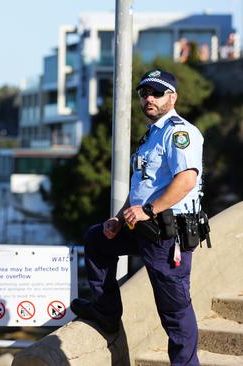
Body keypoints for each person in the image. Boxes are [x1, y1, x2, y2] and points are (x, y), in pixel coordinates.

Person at [71, 69, 204, 365]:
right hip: (142, 225)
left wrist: (148, 210)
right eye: (144, 93)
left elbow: (186, 180)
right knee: (97, 239)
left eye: (156, 93)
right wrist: (119, 218)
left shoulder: (179, 132)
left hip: (167, 233)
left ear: (173, 97)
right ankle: (106, 313)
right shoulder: (152, 135)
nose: (148, 99)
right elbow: (144, 186)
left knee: (174, 310)